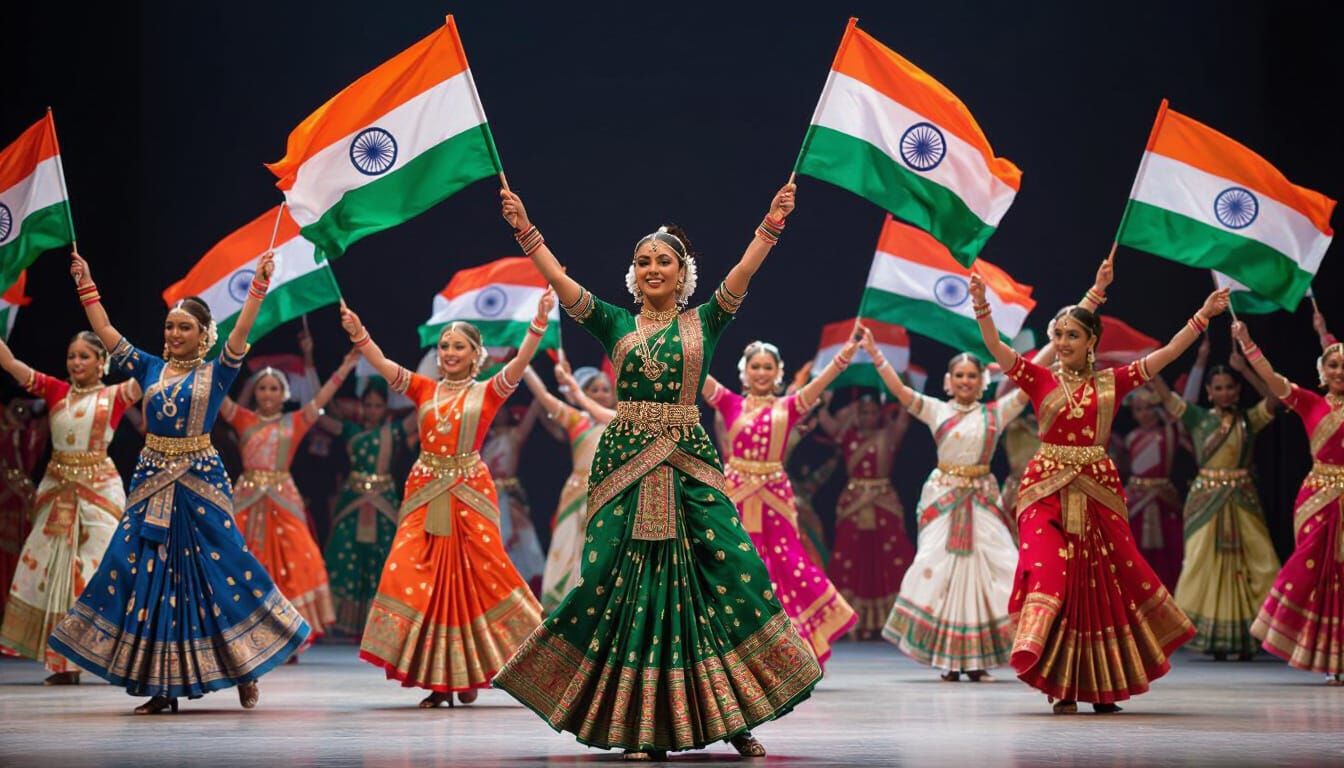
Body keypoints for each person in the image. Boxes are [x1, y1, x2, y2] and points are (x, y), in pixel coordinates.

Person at [493, 185, 821, 760]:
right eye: (643, 261)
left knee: (727, 574)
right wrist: (526, 231)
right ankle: (636, 726)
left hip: (689, 465)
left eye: (663, 261)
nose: (652, 269)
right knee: (619, 584)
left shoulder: (706, 321)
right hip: (626, 466)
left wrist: (771, 224)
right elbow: (562, 282)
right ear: (633, 273)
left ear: (682, 272)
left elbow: (744, 271)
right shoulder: (614, 323)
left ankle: (736, 714)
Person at [48, 250, 309, 714]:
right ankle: (161, 686)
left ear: (204, 334)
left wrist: (259, 286)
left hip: (199, 482)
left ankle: (244, 667)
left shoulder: (218, 371)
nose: (174, 334)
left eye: (184, 327)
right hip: (151, 481)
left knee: (218, 573)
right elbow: (106, 332)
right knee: (143, 572)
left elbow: (242, 330)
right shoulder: (148, 366)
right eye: (170, 326)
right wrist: (86, 284)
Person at [970, 258, 1225, 713]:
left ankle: (1098, 686)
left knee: (1099, 584)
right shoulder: (1038, 377)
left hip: (1097, 490)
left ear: (1091, 342)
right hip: (1045, 490)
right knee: (1052, 575)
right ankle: (1053, 677)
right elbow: (995, 347)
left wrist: (1202, 315)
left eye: (1072, 335)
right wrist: (981, 307)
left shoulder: (1113, 383)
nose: (1062, 342)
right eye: (1058, 335)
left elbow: (1169, 353)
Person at [340, 290, 550, 707]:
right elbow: (382, 364)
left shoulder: (489, 391)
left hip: (469, 494)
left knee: (471, 581)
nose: (449, 353)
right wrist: (359, 334)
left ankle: (463, 675)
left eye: (458, 347)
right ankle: (440, 676)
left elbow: (521, 361)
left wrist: (539, 322)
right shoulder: (423, 389)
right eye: (444, 347)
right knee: (412, 575)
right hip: (424, 492)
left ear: (476, 355)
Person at [875, 338, 1036, 681]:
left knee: (994, 572)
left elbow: (1027, 387)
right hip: (944, 501)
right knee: (939, 571)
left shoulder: (995, 413)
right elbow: (901, 392)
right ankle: (948, 660)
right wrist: (877, 356)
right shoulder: (937, 411)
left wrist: (1051, 348)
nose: (965, 381)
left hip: (981, 501)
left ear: (982, 381)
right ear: (948, 381)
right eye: (959, 375)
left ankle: (977, 662)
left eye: (971, 375)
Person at [702, 336, 860, 669]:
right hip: (737, 495)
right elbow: (697, 373)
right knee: (737, 564)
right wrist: (677, 340)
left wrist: (842, 358)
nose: (761, 373)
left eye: (767, 367)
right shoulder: (729, 402)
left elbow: (819, 385)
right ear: (745, 372)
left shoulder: (788, 406)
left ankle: (789, 650)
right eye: (755, 367)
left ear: (778, 373)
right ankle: (738, 648)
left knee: (788, 563)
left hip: (774, 497)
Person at [0, 332, 139, 683]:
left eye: (84, 356)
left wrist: (192, 348)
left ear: (101, 362)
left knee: (96, 573)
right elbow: (12, 364)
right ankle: (64, 663)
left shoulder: (115, 396)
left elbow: (153, 376)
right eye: (71, 356)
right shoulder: (55, 391)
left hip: (99, 494)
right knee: (52, 574)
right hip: (57, 493)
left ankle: (116, 653)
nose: (76, 363)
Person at [218, 346, 360, 654]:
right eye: (262, 388)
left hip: (283, 499)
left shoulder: (295, 421)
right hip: (247, 500)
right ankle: (245, 633)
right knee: (243, 561)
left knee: (299, 560)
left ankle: (289, 636)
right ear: (254, 392)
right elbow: (218, 394)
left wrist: (346, 365)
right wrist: (209, 358)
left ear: (284, 394)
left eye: (274, 388)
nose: (268, 393)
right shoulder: (242, 418)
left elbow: (321, 398)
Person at [1234, 321, 1344, 684]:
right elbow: (1272, 378)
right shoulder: (1310, 402)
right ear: (1322, 372)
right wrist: (1248, 344)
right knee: (1315, 571)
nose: (1339, 371)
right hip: (1318, 497)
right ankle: (1327, 658)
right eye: (1333, 365)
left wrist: (1325, 333)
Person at [1153, 347, 1279, 659]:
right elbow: (1168, 399)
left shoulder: (1249, 420)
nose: (1224, 393)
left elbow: (1275, 398)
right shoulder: (1197, 418)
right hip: (1205, 500)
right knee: (1203, 563)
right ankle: (1212, 638)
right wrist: (1149, 370)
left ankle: (1250, 637)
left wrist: (1246, 369)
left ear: (1237, 390)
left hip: (1242, 499)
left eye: (1230, 387)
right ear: (1209, 391)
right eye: (1218, 388)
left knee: (1256, 563)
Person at [817, 391, 912, 639]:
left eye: (872, 412)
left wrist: (902, 383)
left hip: (883, 501)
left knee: (889, 558)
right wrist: (828, 400)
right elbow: (825, 420)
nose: (868, 417)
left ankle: (890, 623)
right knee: (850, 557)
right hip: (854, 502)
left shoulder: (889, 434)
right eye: (863, 412)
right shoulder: (847, 435)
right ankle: (850, 623)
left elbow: (905, 414)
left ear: (880, 414)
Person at [317, 377, 408, 636]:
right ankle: (339, 622)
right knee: (343, 555)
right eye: (368, 405)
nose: (372, 411)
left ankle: (379, 625)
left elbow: (423, 411)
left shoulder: (394, 431)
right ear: (361, 406)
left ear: (386, 407)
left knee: (383, 558)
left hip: (384, 503)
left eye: (378, 406)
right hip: (353, 501)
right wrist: (315, 367)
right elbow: (316, 415)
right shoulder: (350, 430)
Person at [524, 361, 615, 613]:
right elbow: (544, 396)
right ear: (581, 393)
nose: (600, 394)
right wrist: (524, 365)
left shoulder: (621, 423)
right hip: (576, 496)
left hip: (610, 496)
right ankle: (567, 610)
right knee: (568, 552)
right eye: (594, 390)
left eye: (605, 389)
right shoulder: (577, 421)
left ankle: (602, 607)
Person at [1118, 385, 1186, 592]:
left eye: (1148, 408)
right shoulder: (1130, 438)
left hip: (1164, 498)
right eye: (1138, 409)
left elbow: (1178, 415)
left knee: (1170, 550)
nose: (1144, 414)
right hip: (1136, 501)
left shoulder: (1169, 435)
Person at [481, 401, 547, 594]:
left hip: (509, 498)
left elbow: (533, 412)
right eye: (494, 409)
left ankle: (529, 590)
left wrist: (539, 395)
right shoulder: (481, 441)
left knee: (522, 543)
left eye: (501, 409)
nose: (497, 413)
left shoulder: (514, 435)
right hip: (487, 500)